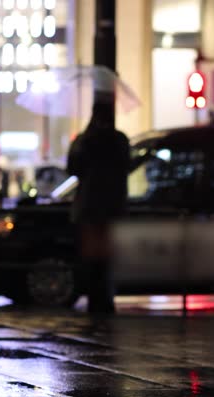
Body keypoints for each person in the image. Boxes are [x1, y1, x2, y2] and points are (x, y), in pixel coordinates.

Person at [67, 99, 131, 316]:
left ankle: (96, 300)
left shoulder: (86, 141)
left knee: (92, 257)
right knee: (108, 258)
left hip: (90, 208)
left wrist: (86, 139)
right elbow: (127, 166)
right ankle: (105, 299)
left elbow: (73, 168)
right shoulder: (119, 140)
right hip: (113, 207)